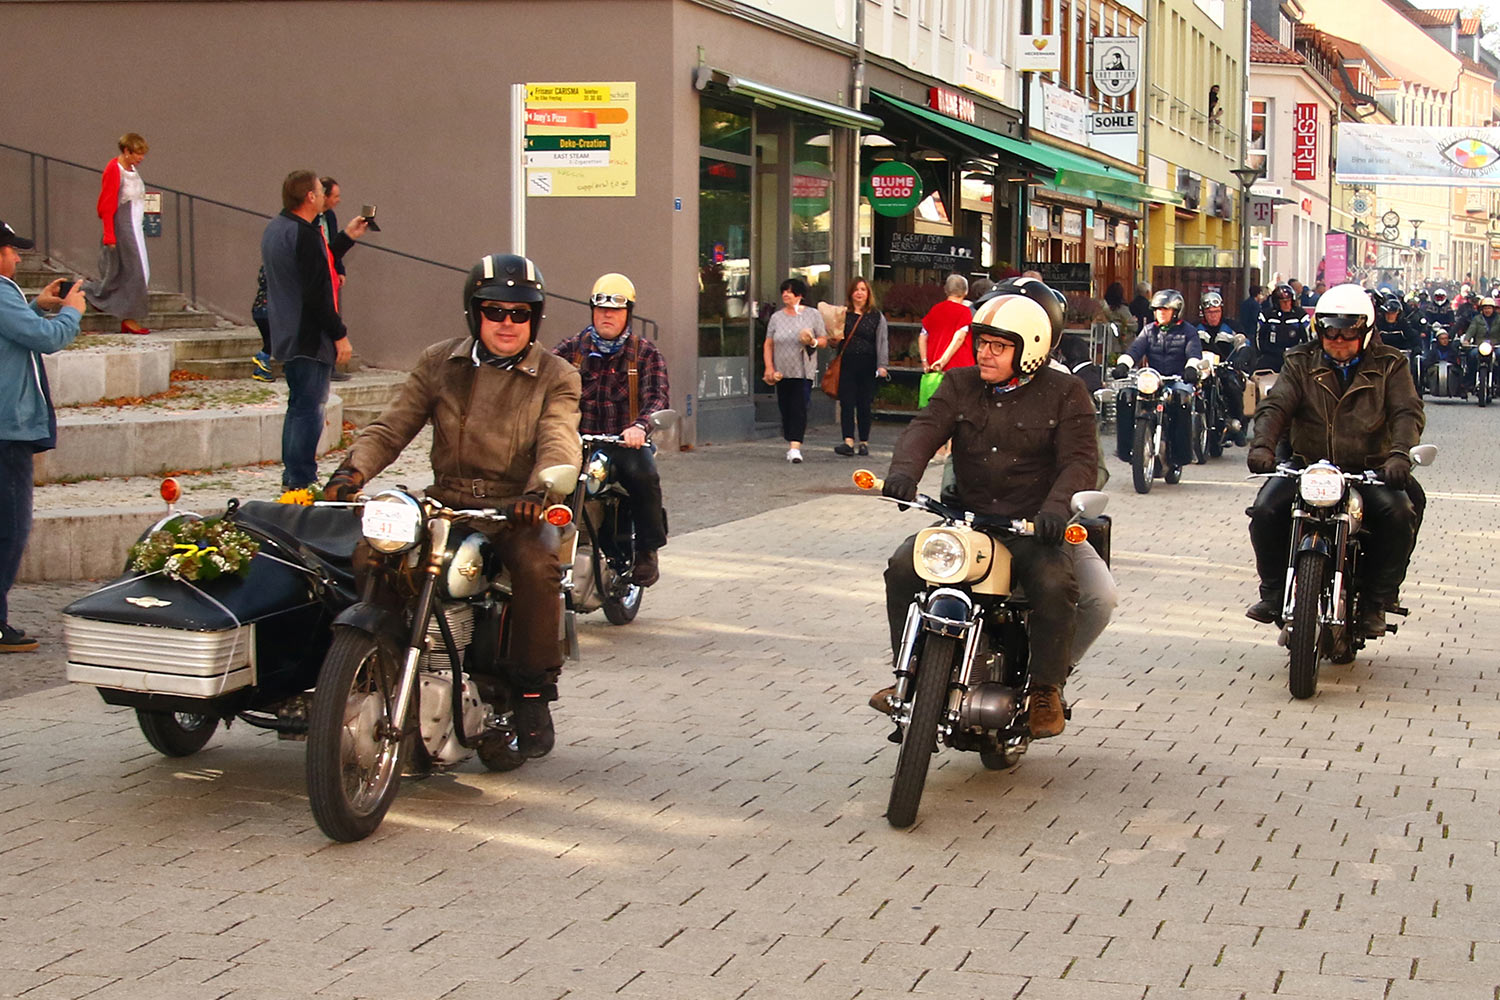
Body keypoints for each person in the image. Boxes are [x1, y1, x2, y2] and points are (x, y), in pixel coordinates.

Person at [324, 253, 581, 758]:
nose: (507, 323)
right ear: (473, 312)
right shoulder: (440, 362)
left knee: (537, 566)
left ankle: (532, 691)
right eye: (494, 310)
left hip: (515, 509)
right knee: (372, 554)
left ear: (536, 317)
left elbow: (558, 437)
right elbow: (393, 425)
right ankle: (378, 662)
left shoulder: (557, 374)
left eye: (521, 313)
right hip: (445, 504)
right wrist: (350, 472)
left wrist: (541, 492)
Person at [878, 281, 1097, 738]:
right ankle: (909, 671)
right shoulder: (959, 385)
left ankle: (1045, 690)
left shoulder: (1065, 391)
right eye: (983, 343)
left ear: (1031, 349)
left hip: (1032, 527)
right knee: (902, 565)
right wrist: (904, 472)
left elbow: (1080, 461)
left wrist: (1057, 509)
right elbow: (924, 428)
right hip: (967, 521)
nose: (985, 354)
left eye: (999, 346)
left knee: (1055, 584)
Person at [1245, 283, 1424, 638]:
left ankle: (1376, 599)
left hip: (1370, 468)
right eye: (1330, 332)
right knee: (1265, 511)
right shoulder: (1299, 361)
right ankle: (1274, 592)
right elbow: (1276, 405)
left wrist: (1400, 455)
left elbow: (1407, 412)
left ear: (1366, 331)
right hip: (1309, 465)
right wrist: (1262, 446)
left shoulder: (1391, 364)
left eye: (1347, 333)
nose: (1338, 341)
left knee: (1402, 512)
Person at [0, 221, 87, 652]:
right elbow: (44, 339)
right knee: (10, 528)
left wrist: (35, 305)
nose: (17, 257)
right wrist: (71, 311)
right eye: (12, 250)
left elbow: (15, 331)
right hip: (6, 430)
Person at [553, 272, 670, 587]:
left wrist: (640, 426)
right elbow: (544, 389)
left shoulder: (644, 353)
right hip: (576, 443)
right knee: (544, 481)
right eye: (601, 308)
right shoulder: (570, 350)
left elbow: (656, 397)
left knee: (644, 474)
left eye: (616, 310)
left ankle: (647, 549)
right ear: (592, 310)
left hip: (623, 444)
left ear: (627, 313)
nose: (607, 315)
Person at [260, 171, 367, 489]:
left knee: (298, 407)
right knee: (309, 410)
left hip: (288, 330)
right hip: (308, 333)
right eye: (321, 191)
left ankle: (293, 476)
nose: (324, 196)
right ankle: (301, 480)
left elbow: (316, 266)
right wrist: (339, 334)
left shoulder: (277, 228)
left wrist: (346, 238)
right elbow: (316, 291)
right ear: (309, 197)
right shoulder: (304, 234)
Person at [1115, 289, 1201, 465]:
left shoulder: (1188, 331)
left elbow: (1194, 353)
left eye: (1165, 309)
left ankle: (1181, 454)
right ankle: (1126, 448)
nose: (1160, 313)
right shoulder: (1148, 331)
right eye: (1157, 309)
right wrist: (1124, 364)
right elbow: (1135, 350)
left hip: (1177, 379)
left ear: (1176, 311)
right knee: (1126, 396)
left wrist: (1191, 368)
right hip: (1152, 380)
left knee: (1182, 398)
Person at [83, 132, 152, 335]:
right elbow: (106, 205)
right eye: (137, 153)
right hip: (124, 225)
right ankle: (128, 318)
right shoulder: (114, 169)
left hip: (135, 226)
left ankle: (100, 298)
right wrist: (109, 235)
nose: (141, 158)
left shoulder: (130, 169)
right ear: (126, 151)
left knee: (134, 271)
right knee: (136, 272)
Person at [762, 277, 826, 463]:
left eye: (790, 291)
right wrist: (769, 367)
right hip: (781, 371)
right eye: (784, 291)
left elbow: (823, 340)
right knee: (786, 408)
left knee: (799, 407)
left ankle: (795, 448)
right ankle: (791, 436)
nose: (786, 295)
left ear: (800, 295)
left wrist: (812, 341)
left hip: (803, 369)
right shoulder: (777, 317)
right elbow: (769, 343)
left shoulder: (812, 315)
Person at [829, 276, 888, 457]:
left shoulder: (876, 316)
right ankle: (848, 441)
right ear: (851, 293)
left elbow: (882, 341)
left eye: (863, 289)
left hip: (868, 363)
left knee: (864, 403)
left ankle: (863, 441)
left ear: (868, 293)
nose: (859, 293)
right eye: (856, 290)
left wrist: (882, 365)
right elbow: (835, 339)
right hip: (847, 362)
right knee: (847, 403)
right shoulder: (843, 314)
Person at [1198, 291, 1248, 443]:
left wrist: (1240, 358)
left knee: (1232, 386)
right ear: (1203, 313)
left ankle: (1237, 424)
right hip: (1203, 370)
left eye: (1216, 312)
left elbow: (1245, 344)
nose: (1213, 315)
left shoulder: (1232, 326)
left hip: (1225, 368)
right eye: (1209, 312)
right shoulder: (1195, 328)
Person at [317, 177, 353, 383]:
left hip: (329, 272)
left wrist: (339, 269)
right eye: (336, 196)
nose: (338, 200)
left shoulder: (329, 217)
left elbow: (332, 249)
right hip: (317, 275)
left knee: (332, 311)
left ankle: (330, 365)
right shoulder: (308, 221)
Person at [918, 274, 975, 391]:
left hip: (934, 368)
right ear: (966, 292)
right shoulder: (964, 312)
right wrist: (943, 361)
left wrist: (924, 361)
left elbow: (923, 336)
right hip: (960, 367)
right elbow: (959, 337)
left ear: (946, 290)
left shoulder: (935, 309)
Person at [1256, 283, 1310, 372]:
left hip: (1294, 355)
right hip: (1272, 355)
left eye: (1289, 301)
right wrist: (1264, 352)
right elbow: (1259, 337)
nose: (1287, 304)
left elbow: (1307, 337)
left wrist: (1304, 354)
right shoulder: (1266, 315)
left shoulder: (1300, 314)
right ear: (1277, 303)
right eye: (1283, 302)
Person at [1100, 281, 1135, 355]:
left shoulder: (1104, 309)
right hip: (1122, 345)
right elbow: (1132, 326)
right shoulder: (1123, 310)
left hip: (1108, 344)